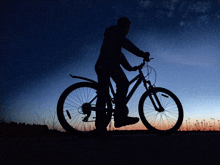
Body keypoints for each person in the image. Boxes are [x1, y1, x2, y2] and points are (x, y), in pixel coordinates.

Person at [95, 17, 150, 131]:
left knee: (103, 94)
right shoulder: (116, 31)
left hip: (101, 64)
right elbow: (128, 45)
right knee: (123, 83)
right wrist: (142, 54)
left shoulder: (112, 38)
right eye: (128, 27)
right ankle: (120, 117)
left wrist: (132, 68)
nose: (128, 31)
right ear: (123, 25)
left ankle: (100, 127)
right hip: (109, 64)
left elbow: (120, 57)